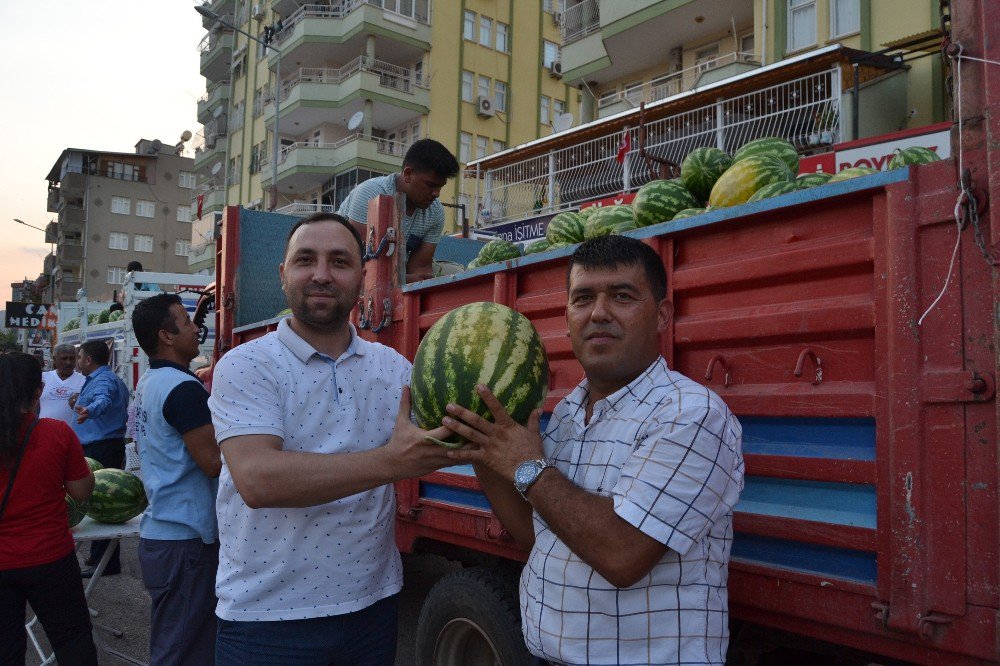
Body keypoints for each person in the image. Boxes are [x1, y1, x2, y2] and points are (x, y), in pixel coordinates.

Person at [443, 235, 745, 665]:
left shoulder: (691, 415)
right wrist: (487, 453)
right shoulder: (566, 413)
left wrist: (525, 466)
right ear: (566, 316)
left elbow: (622, 554)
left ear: (662, 315)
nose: (599, 313)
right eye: (583, 298)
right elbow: (542, 537)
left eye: (622, 296)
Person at [208, 212, 455, 665]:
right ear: (284, 275)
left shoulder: (394, 368)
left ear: (362, 277)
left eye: (339, 262)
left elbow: (449, 432)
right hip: (266, 620)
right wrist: (393, 462)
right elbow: (259, 480)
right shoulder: (247, 366)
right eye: (306, 260)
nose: (321, 275)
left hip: (372, 610)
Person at [130, 293, 221, 665]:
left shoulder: (151, 382)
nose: (196, 328)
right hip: (185, 540)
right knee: (181, 650)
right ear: (166, 336)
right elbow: (213, 463)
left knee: (181, 642)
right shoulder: (182, 390)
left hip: (164, 535)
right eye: (185, 322)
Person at [0, 352, 99, 665]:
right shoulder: (57, 433)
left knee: (6, 650)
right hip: (51, 559)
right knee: (73, 642)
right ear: (37, 391)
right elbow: (82, 492)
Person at [337, 138, 460, 281]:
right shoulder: (371, 194)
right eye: (430, 185)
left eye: (440, 187)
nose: (436, 193)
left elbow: (420, 269)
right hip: (343, 271)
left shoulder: (435, 212)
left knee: (454, 272)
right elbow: (359, 262)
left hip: (392, 278)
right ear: (407, 174)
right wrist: (407, 280)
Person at [73, 339, 130, 577]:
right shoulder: (102, 379)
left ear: (88, 360)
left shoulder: (103, 380)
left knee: (103, 501)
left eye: (79, 357)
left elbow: (103, 400)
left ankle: (105, 564)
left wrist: (89, 410)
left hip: (102, 448)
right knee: (100, 503)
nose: (77, 361)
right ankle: (100, 558)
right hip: (104, 446)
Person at [39, 343, 85, 426]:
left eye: (72, 358)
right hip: (45, 434)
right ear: (54, 359)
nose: (68, 362)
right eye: (64, 358)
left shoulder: (84, 381)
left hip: (73, 436)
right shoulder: (43, 378)